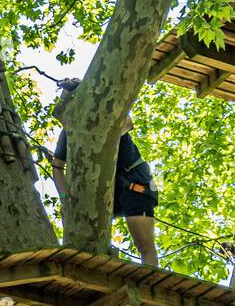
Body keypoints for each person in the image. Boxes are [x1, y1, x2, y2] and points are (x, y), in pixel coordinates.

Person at [52, 113, 160, 268]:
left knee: (144, 243)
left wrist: (105, 136)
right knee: (84, 226)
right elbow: (57, 165)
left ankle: (151, 281)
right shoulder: (70, 129)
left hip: (135, 183)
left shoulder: (107, 110)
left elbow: (128, 122)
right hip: (104, 190)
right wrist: (65, 199)